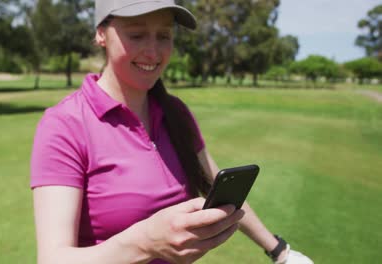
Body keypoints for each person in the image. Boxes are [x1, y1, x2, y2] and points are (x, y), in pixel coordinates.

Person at [30, 1, 314, 263]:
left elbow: (215, 184)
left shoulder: (175, 112)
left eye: (164, 36)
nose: (153, 52)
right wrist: (145, 242)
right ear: (101, 34)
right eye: (137, 35)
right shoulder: (65, 124)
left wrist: (280, 252)